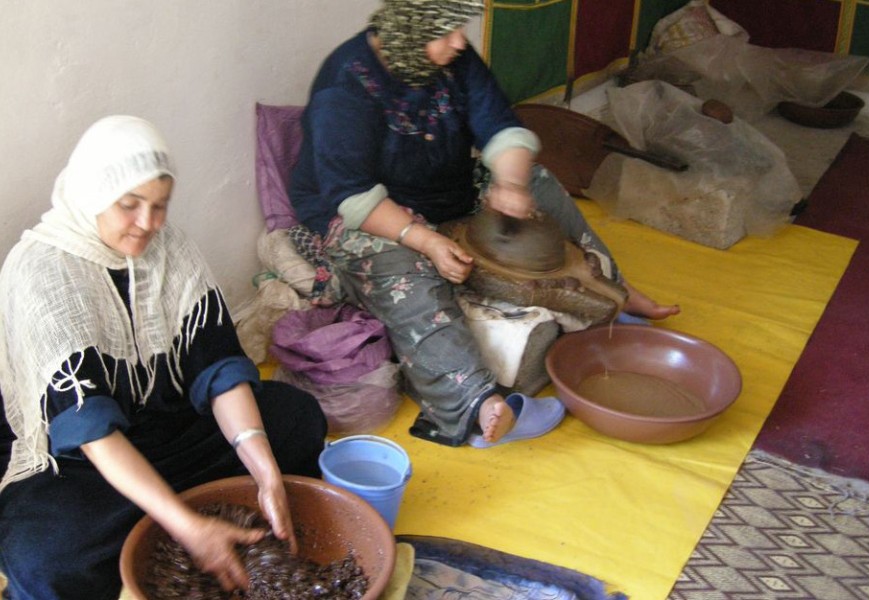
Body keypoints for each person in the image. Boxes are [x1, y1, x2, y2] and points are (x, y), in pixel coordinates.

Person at [288, 0, 679, 449]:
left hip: (444, 191)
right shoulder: (345, 86)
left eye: (459, 28)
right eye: (445, 31)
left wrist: (510, 182)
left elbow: (499, 126)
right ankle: (475, 405)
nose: (460, 41)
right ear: (408, 29)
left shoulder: (453, 58)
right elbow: (352, 195)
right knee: (406, 273)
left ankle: (614, 290)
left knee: (536, 179)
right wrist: (426, 241)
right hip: (364, 213)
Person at [0, 116, 328, 600]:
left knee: (296, 417)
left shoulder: (168, 247)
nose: (148, 224)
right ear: (92, 194)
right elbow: (90, 431)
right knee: (46, 552)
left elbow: (217, 366)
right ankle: (187, 519)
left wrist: (264, 471)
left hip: (169, 427)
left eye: (159, 206)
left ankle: (189, 516)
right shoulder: (41, 273)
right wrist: (186, 528)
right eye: (129, 206)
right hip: (83, 461)